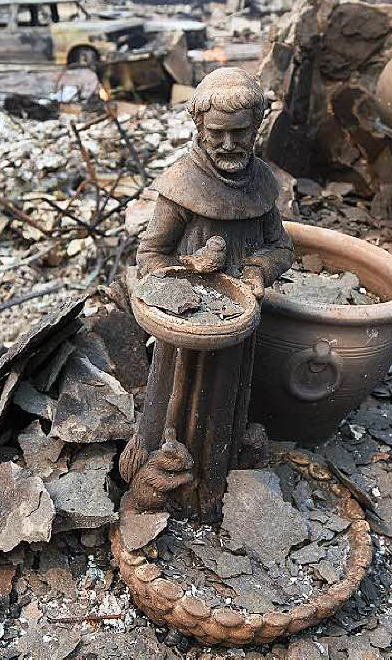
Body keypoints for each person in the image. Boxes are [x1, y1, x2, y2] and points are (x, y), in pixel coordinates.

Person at [120, 67, 293, 522]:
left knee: (227, 407)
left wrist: (256, 270)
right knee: (172, 410)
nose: (230, 145)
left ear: (256, 130)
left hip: (238, 322)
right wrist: (190, 268)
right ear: (199, 128)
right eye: (218, 134)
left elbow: (281, 247)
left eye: (241, 133)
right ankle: (160, 487)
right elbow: (150, 256)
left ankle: (217, 486)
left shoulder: (261, 185)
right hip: (185, 333)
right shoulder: (180, 186)